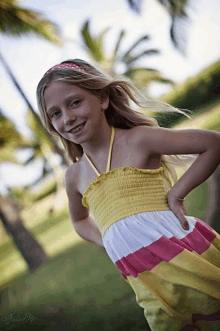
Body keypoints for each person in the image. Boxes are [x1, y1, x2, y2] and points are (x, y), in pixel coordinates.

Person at [36, 59, 220, 331]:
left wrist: (177, 195)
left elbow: (213, 143)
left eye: (75, 103)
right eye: (55, 113)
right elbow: (79, 221)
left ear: (103, 99)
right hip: (143, 278)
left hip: (185, 256)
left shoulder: (138, 139)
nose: (68, 118)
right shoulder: (74, 176)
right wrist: (108, 239)